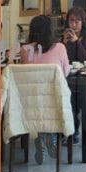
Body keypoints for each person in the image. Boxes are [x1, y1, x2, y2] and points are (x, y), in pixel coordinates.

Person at [19, 14, 70, 163]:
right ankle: (50, 136)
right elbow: (65, 73)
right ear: (50, 31)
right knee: (57, 102)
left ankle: (41, 136)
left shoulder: (24, 50)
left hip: (31, 102)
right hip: (54, 101)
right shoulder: (60, 48)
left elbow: (26, 76)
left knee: (41, 102)